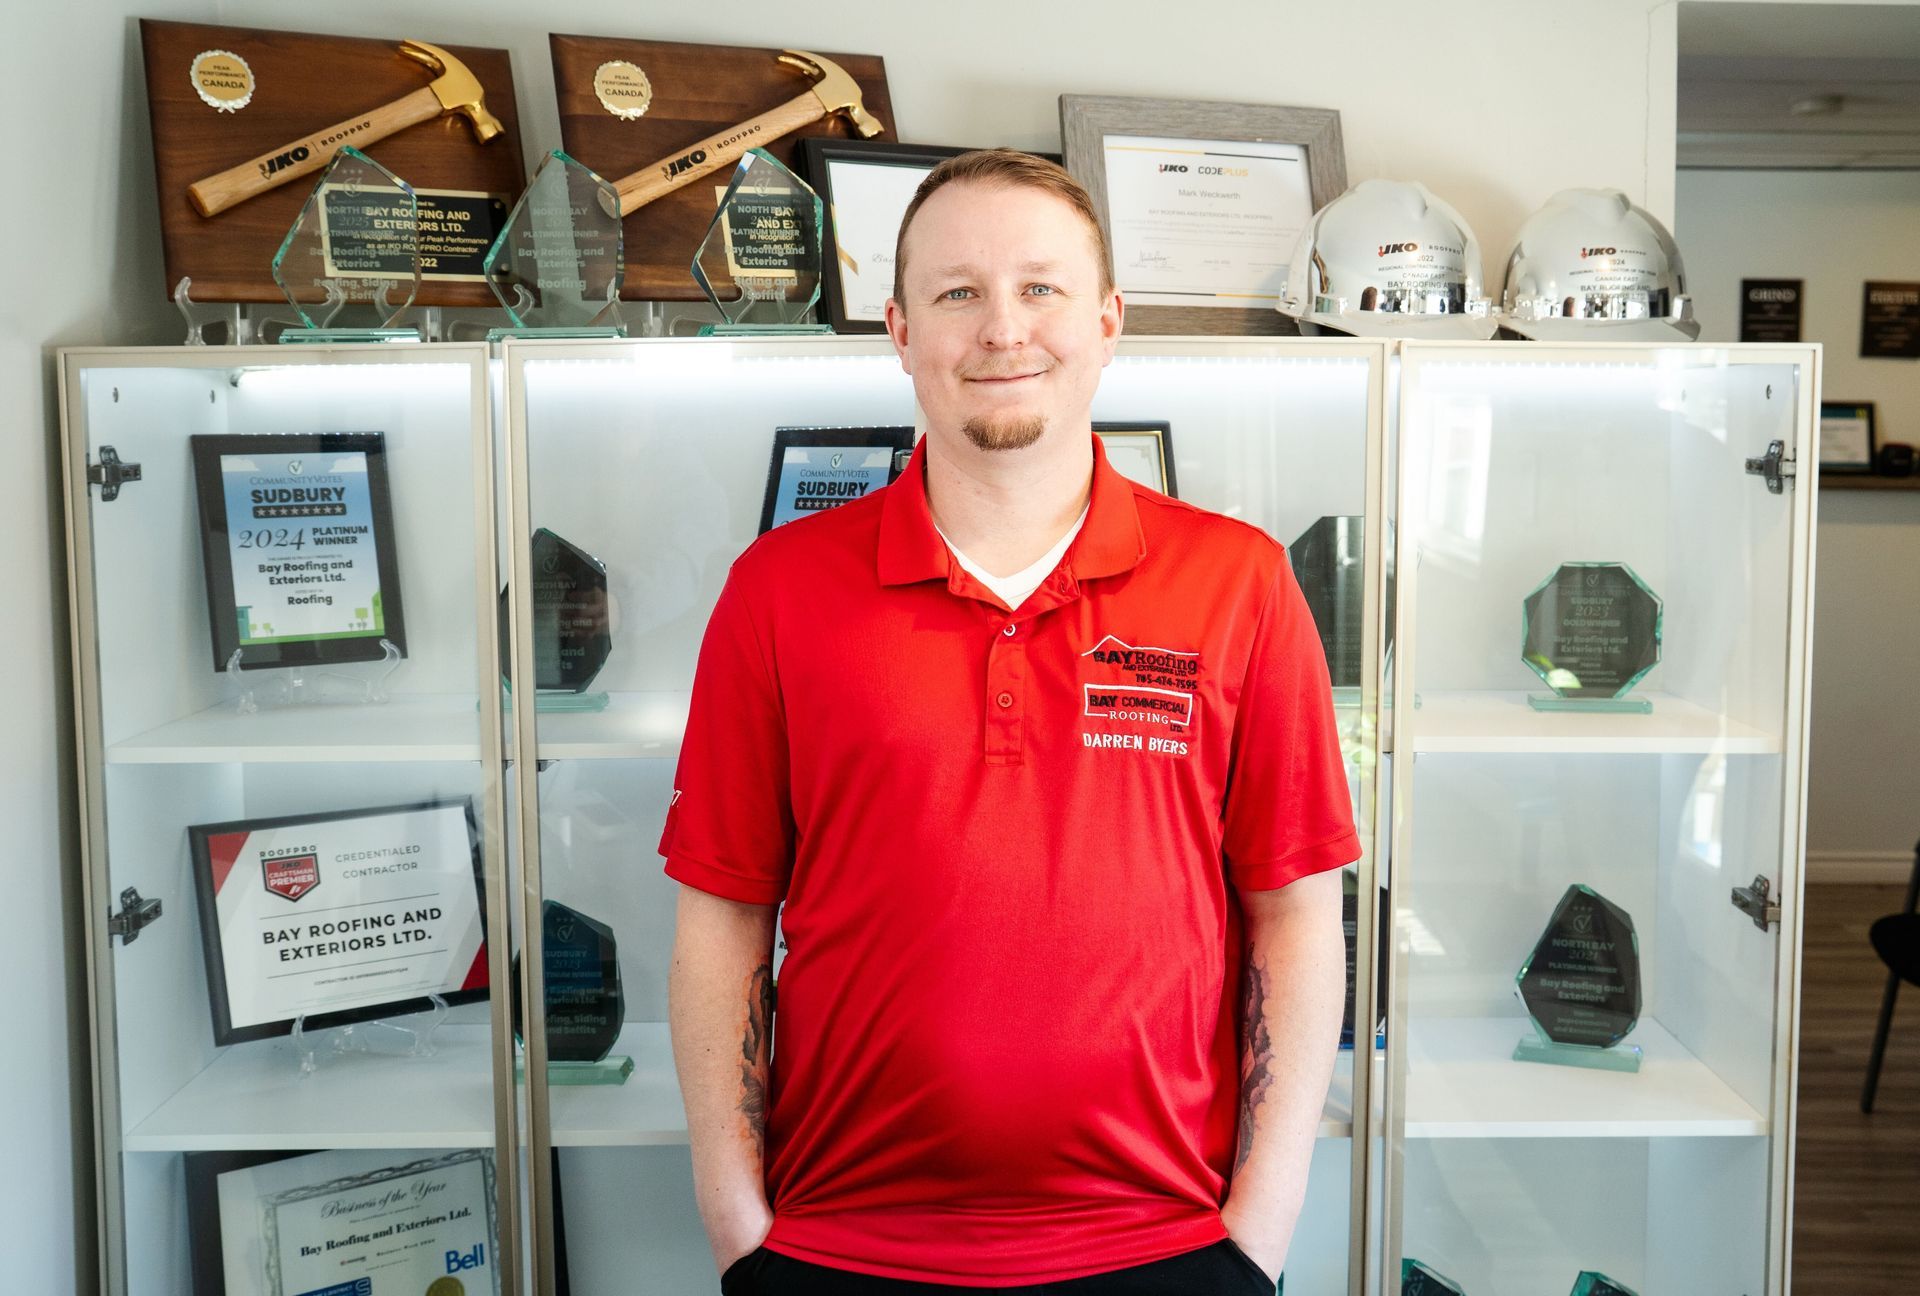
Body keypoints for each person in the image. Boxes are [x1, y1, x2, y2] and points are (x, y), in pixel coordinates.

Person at [663, 149, 1358, 1295]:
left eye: (1040, 288)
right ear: (897, 328)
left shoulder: (1239, 583)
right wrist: (737, 1223)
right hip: (840, 1244)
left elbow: (1293, 912)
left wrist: (1259, 1233)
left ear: (1108, 320)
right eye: (957, 292)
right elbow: (722, 915)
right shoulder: (778, 591)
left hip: (1169, 1243)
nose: (1002, 329)